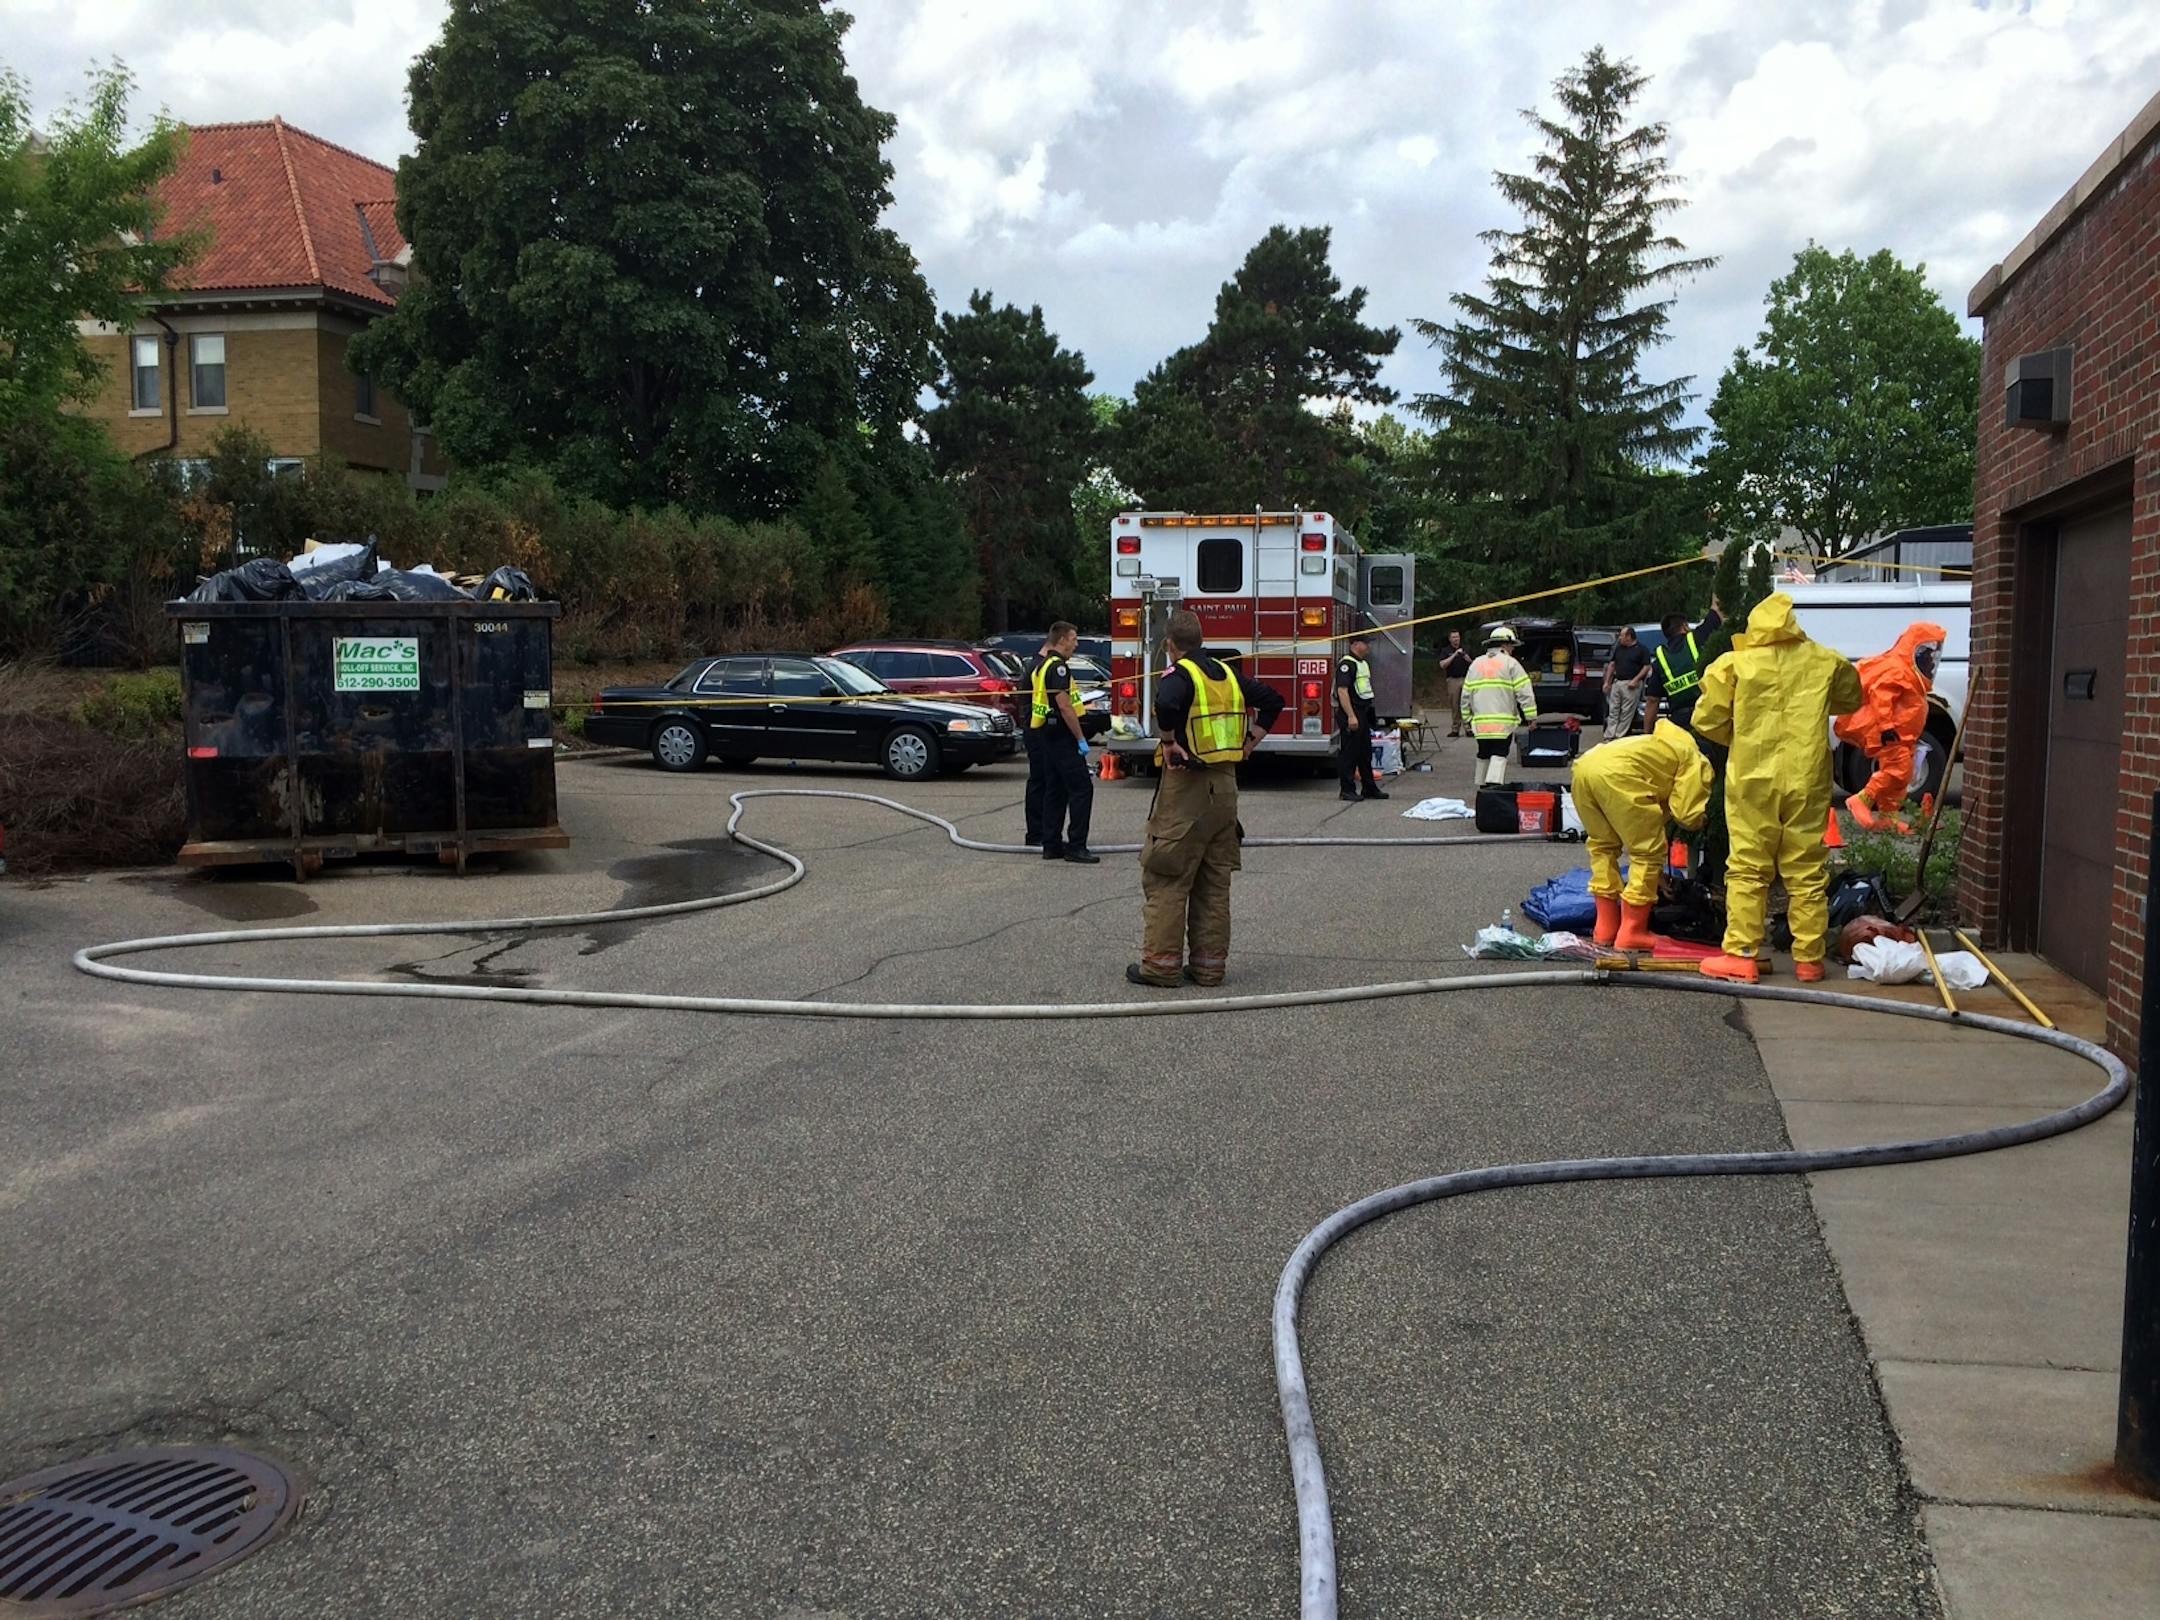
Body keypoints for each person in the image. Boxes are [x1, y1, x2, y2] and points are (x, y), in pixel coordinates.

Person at [1690, 593, 1864, 985]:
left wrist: (1740, 734)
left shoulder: (1735, 664)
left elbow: (1707, 720)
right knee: (1806, 867)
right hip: (1808, 775)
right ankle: (1809, 961)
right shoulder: (1825, 660)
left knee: (1749, 865)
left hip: (1753, 776)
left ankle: (1742, 954)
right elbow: (1851, 697)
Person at [1127, 612, 1284, 988]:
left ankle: (1161, 967)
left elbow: (1166, 704)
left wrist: (1168, 743)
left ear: (1170, 645)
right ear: (1201, 640)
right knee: (1214, 882)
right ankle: (1209, 967)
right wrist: (1249, 744)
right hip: (1225, 790)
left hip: (1188, 788)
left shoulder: (1180, 675)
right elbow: (1274, 700)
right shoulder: (1227, 674)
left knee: (1167, 874)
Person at [1570, 719, 1715, 949]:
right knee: (1647, 854)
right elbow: (1687, 814)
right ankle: (1632, 932)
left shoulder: (1660, 745)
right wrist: (1703, 821)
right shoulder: (1694, 759)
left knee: (1602, 847)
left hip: (1585, 767)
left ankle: (1605, 928)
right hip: (1619, 776)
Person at [1833, 621, 1948, 832]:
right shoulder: (1899, 670)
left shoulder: (1908, 673)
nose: (1931, 658)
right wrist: (1886, 727)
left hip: (1902, 735)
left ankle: (1889, 817)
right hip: (1892, 734)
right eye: (1927, 652)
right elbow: (1880, 696)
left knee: (1901, 778)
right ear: (1916, 649)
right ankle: (1862, 799)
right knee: (1898, 771)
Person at [1025, 622, 1098, 864]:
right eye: (1074, 639)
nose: (1076, 644)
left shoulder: (1042, 666)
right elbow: (1065, 706)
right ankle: (1077, 846)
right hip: (1062, 736)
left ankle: (1052, 844)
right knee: (1082, 789)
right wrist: (1080, 738)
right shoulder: (1057, 668)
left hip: (1047, 734)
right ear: (1062, 639)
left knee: (1055, 790)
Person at [1460, 625, 1537, 790]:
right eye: (1512, 646)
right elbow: (1525, 692)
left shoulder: (1476, 664)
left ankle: (1482, 787)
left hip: (1480, 724)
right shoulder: (1511, 664)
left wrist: (1466, 719)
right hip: (1502, 724)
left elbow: (1465, 695)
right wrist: (1531, 717)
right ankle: (1494, 788)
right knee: (1499, 755)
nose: (1513, 650)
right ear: (1505, 645)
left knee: (1483, 754)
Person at [1643, 600, 1723, 732]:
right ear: (1685, 627)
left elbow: (1652, 701)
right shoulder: (1697, 639)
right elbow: (1716, 612)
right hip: (1707, 715)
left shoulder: (1661, 660)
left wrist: (1647, 735)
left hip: (1680, 722)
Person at [1334, 631, 1388, 803]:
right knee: (1349, 753)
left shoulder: (1362, 663)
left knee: (1365, 752)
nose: (1368, 646)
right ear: (1355, 644)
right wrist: (1351, 716)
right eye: (1365, 643)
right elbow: (1342, 691)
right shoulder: (1347, 664)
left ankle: (1369, 787)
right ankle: (1347, 790)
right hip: (1352, 712)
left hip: (1362, 712)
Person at [1601, 626, 1651, 742]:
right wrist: (1607, 682)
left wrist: (1636, 679)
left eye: (1622, 636)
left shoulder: (1642, 650)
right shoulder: (1619, 649)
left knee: (1626, 712)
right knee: (1613, 710)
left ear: (1629, 636)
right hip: (1618, 682)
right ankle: (1609, 735)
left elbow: (1646, 666)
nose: (1620, 638)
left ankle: (1619, 735)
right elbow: (1612, 665)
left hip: (1631, 684)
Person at [1439, 631, 1473, 737]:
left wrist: (1466, 657)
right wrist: (1454, 655)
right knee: (1455, 705)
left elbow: (1474, 663)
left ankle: (1469, 728)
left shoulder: (1466, 648)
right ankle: (1455, 729)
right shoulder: (1446, 650)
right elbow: (1442, 665)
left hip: (1466, 679)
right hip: (1453, 680)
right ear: (1450, 639)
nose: (1456, 639)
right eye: (1453, 637)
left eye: (1457, 637)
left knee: (1467, 704)